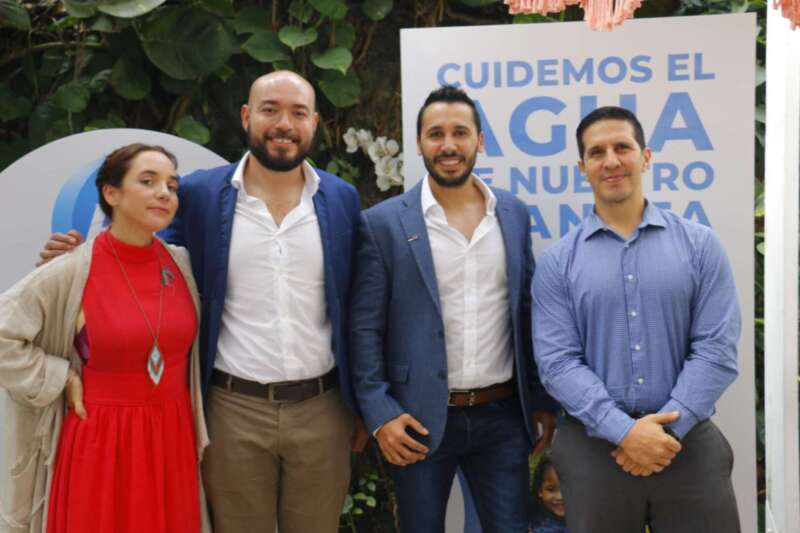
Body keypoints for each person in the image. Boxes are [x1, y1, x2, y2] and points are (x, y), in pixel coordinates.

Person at [37, 71, 366, 533]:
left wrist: (364, 402)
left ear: (314, 122)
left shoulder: (342, 199)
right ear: (247, 116)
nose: (283, 124)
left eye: (298, 113)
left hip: (323, 408)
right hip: (232, 411)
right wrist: (76, 260)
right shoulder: (200, 194)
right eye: (270, 110)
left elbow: (357, 306)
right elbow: (138, 253)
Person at [349, 85, 559, 533]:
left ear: (479, 140)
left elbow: (525, 312)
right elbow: (364, 328)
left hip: (502, 417)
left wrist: (540, 397)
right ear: (419, 143)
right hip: (416, 420)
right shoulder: (383, 224)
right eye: (436, 134)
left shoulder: (513, 214)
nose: (448, 145)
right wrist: (381, 412)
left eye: (460, 133)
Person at [532, 106, 741, 532]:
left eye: (622, 147)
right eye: (597, 152)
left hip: (687, 442)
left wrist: (664, 432)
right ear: (582, 167)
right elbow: (557, 363)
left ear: (645, 157)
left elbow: (716, 350)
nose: (611, 160)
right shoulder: (557, 263)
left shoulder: (701, 246)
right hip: (594, 450)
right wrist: (625, 432)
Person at [0, 144, 209, 533]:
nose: (164, 193)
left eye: (172, 185)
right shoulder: (70, 270)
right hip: (101, 442)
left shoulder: (182, 264)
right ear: (111, 193)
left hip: (172, 438)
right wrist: (60, 377)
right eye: (148, 181)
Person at [529, 452, 568, 533]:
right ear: (540, 490)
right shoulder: (536, 528)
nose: (560, 496)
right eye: (551, 489)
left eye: (567, 489)